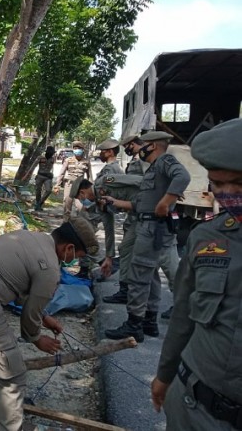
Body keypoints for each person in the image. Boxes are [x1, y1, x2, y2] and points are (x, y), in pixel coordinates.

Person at [0, 218, 99, 431]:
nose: (74, 261)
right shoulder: (50, 268)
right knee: (11, 373)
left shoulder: (29, 236)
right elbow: (29, 315)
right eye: (77, 256)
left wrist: (44, 317)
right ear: (69, 248)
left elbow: (18, 285)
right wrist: (36, 338)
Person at [151, 118, 242, 431]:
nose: (228, 195)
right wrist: (165, 375)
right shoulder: (207, 238)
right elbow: (183, 316)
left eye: (240, 184)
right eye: (217, 184)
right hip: (192, 408)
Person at [104, 131, 190, 342]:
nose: (139, 149)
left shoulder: (164, 161)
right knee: (150, 277)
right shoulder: (153, 168)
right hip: (148, 224)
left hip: (152, 229)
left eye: (143, 145)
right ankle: (149, 322)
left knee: (138, 275)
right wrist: (115, 202)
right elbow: (141, 204)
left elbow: (183, 176)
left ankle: (134, 325)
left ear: (152, 146)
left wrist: (165, 203)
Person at [71, 173, 142, 285]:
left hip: (149, 206)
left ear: (82, 192)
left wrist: (165, 191)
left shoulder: (106, 181)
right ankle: (124, 288)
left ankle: (127, 287)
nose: (82, 201)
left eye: (80, 198)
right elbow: (109, 229)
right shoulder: (100, 203)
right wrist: (109, 257)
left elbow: (136, 180)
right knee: (125, 248)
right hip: (138, 214)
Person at [102, 134, 148, 304]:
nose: (126, 149)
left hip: (144, 214)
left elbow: (145, 182)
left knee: (161, 262)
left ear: (134, 144)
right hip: (134, 213)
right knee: (126, 251)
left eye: (128, 146)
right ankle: (125, 290)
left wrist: (112, 180)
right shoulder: (136, 160)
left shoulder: (144, 161)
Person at [76, 138, 123, 279]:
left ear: (109, 152)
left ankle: (103, 263)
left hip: (103, 208)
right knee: (83, 235)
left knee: (84, 236)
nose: (100, 154)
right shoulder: (110, 167)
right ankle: (89, 266)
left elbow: (109, 191)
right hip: (98, 207)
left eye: (102, 151)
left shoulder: (112, 169)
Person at [53, 141, 93, 221]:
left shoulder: (86, 162)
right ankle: (65, 224)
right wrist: (57, 185)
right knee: (67, 206)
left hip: (80, 187)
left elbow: (90, 177)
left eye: (79, 148)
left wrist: (91, 190)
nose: (77, 150)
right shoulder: (68, 160)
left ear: (82, 150)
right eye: (75, 148)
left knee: (80, 207)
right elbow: (62, 173)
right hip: (69, 185)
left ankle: (79, 226)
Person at [34, 146, 56, 212]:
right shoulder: (40, 158)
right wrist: (26, 176)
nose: (52, 154)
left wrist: (51, 175)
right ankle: (38, 204)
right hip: (40, 176)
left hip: (48, 177)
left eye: (53, 153)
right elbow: (33, 166)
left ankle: (39, 203)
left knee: (49, 190)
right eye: (51, 153)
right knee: (38, 191)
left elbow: (51, 168)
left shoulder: (52, 159)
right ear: (47, 152)